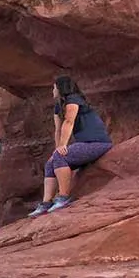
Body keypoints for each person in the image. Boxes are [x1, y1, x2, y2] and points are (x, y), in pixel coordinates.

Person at [28, 76, 113, 217]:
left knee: (61, 157)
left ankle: (63, 197)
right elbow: (58, 129)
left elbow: (69, 122)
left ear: (61, 88)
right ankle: (46, 203)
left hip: (97, 143)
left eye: (54, 87)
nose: (53, 90)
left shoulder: (73, 99)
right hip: (85, 144)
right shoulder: (58, 106)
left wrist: (62, 146)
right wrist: (58, 148)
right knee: (50, 163)